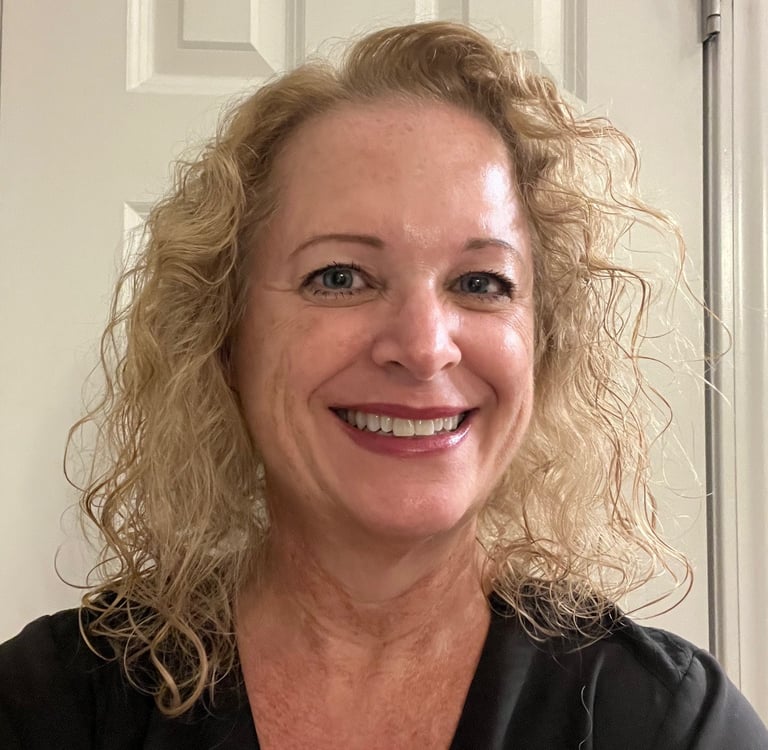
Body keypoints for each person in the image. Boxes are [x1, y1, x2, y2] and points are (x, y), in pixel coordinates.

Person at [1, 20, 766, 749]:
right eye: (339, 277)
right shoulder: (50, 707)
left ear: (540, 344)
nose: (425, 347)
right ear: (224, 337)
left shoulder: (665, 723)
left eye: (481, 281)